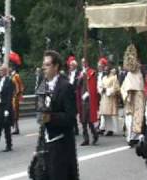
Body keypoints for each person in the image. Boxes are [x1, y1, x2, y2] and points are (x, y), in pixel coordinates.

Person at [35, 50, 79, 180]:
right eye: (44, 64)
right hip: (45, 143)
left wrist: (51, 117)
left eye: (47, 65)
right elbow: (39, 111)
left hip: (61, 146)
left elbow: (71, 118)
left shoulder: (65, 87)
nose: (44, 68)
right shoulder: (42, 86)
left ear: (56, 67)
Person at [121, 44, 145, 147]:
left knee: (135, 115)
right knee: (132, 115)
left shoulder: (137, 72)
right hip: (133, 91)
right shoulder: (134, 71)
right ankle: (132, 136)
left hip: (135, 91)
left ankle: (134, 136)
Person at [78, 58, 99, 146]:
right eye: (82, 62)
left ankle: (95, 135)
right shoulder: (81, 73)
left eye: (84, 62)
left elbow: (93, 85)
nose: (83, 64)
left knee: (89, 120)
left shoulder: (92, 72)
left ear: (87, 62)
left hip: (89, 100)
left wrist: (88, 93)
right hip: (83, 99)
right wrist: (81, 76)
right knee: (83, 121)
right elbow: (78, 84)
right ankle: (86, 139)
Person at [98, 64, 120, 136]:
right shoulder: (104, 78)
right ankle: (107, 129)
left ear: (110, 70)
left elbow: (116, 88)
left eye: (107, 70)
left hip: (110, 98)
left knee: (111, 115)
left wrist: (107, 90)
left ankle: (111, 130)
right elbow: (100, 86)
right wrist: (101, 90)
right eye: (105, 70)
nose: (106, 71)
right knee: (105, 115)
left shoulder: (114, 78)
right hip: (104, 98)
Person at [9, 52, 24, 135]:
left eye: (10, 67)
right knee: (12, 112)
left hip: (15, 97)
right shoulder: (11, 76)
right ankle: (15, 127)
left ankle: (16, 128)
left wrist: (17, 94)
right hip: (11, 97)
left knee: (15, 113)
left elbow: (20, 86)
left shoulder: (16, 76)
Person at [67, 55, 80, 135]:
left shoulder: (78, 74)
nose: (70, 66)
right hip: (69, 95)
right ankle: (72, 128)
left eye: (71, 65)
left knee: (74, 113)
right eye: (70, 65)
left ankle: (76, 129)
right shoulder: (69, 74)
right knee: (69, 112)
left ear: (75, 66)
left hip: (75, 95)